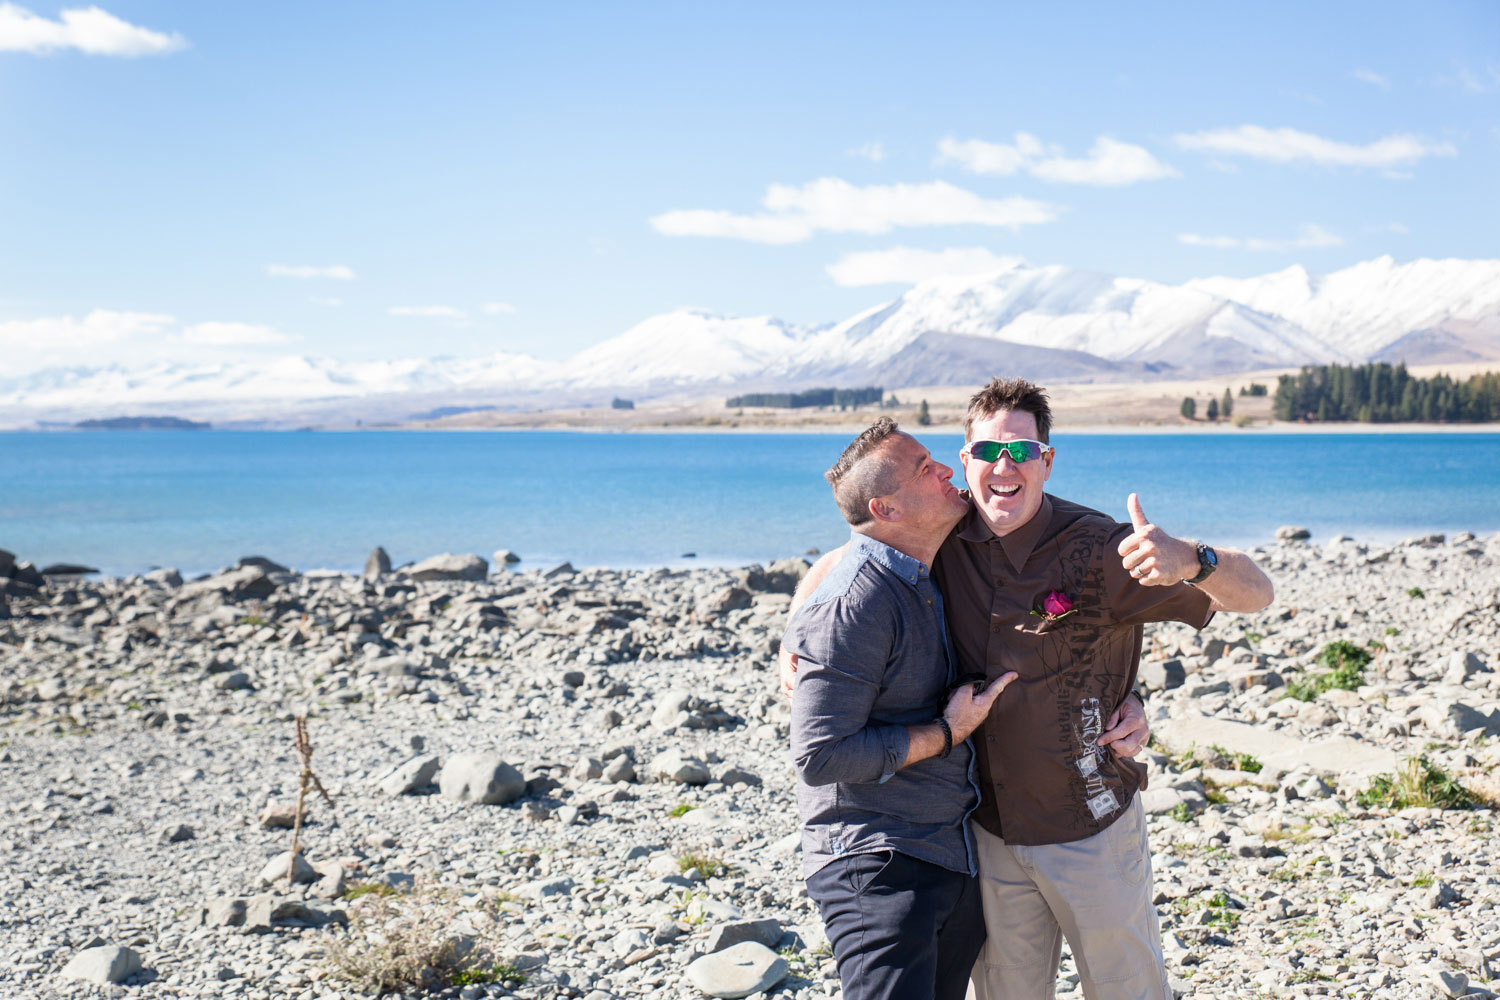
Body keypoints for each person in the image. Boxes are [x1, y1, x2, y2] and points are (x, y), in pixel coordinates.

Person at [784, 378, 1274, 1000]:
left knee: (1129, 990)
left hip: (1089, 822)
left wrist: (1190, 558)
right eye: (988, 452)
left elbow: (1257, 595)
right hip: (986, 836)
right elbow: (853, 551)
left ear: (1046, 460)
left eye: (1021, 450)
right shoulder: (946, 530)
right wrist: (798, 629)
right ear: (967, 463)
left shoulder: (1103, 548)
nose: (1004, 465)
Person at [785, 416, 1019, 1000]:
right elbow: (819, 757)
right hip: (875, 861)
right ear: (887, 509)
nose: (947, 471)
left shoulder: (922, 569)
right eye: (925, 468)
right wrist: (946, 731)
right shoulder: (855, 602)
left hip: (946, 853)